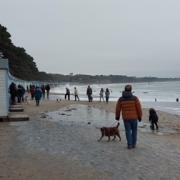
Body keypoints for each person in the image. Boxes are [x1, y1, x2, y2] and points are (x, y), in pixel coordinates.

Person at [115, 85, 142, 149]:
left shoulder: (121, 99)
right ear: (131, 90)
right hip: (134, 117)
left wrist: (117, 116)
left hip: (126, 118)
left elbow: (118, 108)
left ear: (125, 90)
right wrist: (140, 116)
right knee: (134, 131)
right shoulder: (135, 98)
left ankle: (129, 145)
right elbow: (139, 108)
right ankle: (134, 144)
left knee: (127, 131)